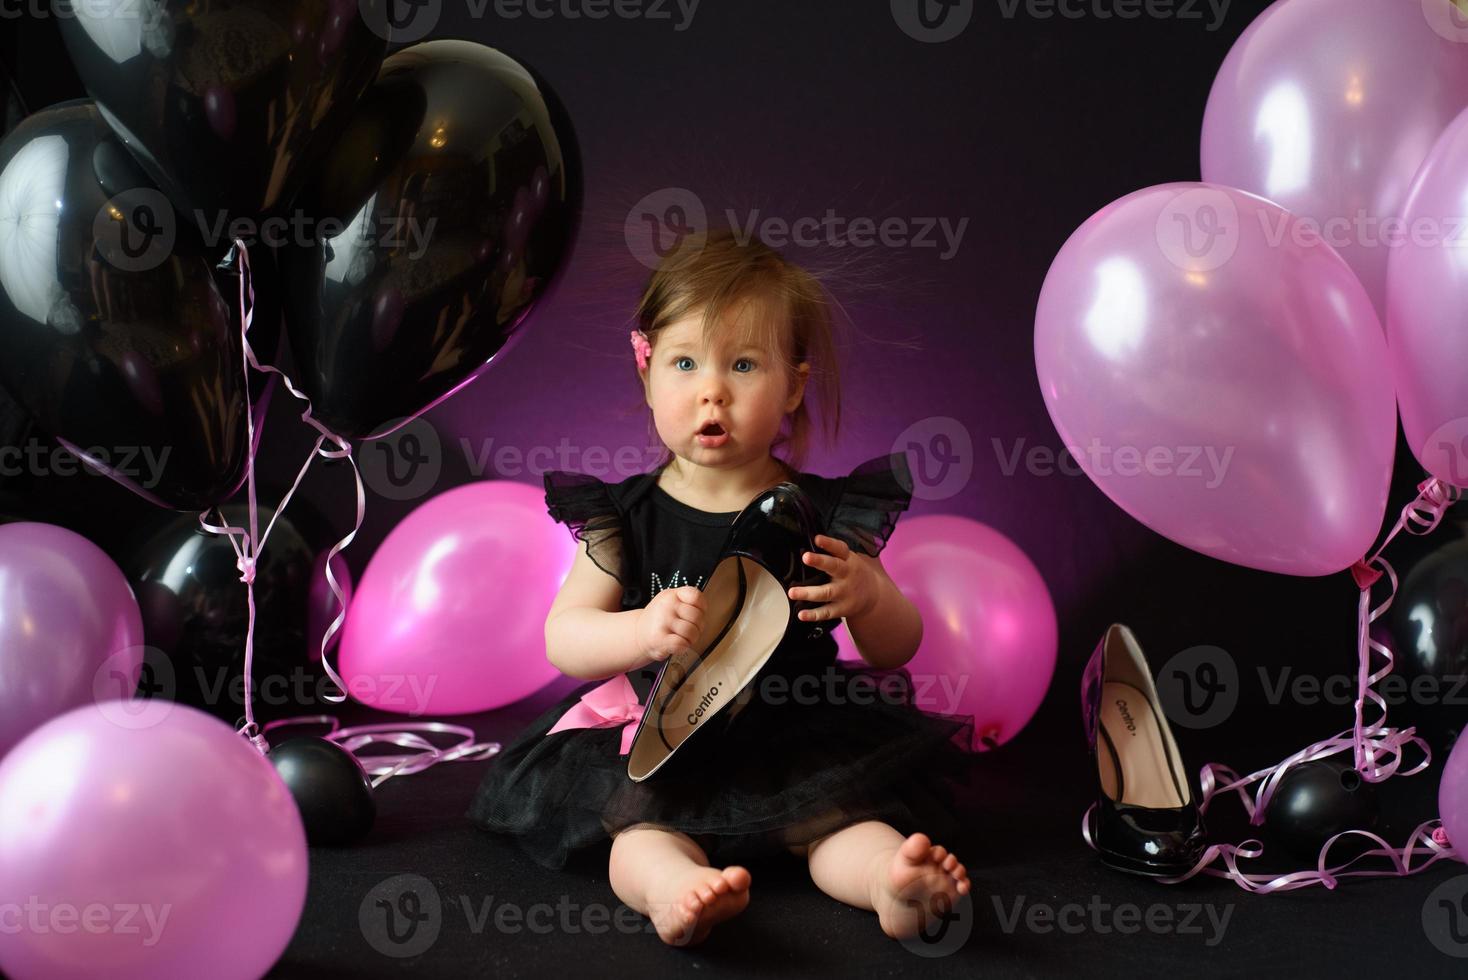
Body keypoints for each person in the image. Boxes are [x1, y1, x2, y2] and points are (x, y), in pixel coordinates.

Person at [467, 229, 979, 947]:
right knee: (637, 837)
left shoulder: (826, 515)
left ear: (794, 384)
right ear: (645, 373)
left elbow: (898, 647)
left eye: (743, 364)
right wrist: (641, 629)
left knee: (844, 824)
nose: (712, 390)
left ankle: (887, 884)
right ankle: (674, 889)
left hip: (795, 728)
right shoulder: (626, 518)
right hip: (664, 737)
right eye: (684, 363)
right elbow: (566, 637)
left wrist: (869, 599)